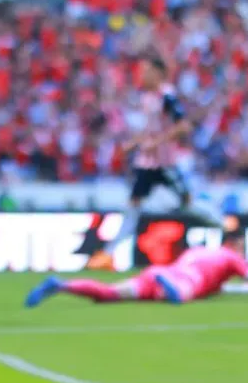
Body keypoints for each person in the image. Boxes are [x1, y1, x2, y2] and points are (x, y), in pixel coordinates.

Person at [87, 55, 224, 271]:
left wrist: (157, 143)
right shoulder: (148, 98)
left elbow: (183, 126)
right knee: (133, 206)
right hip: (147, 164)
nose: (142, 75)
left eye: (146, 71)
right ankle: (108, 254)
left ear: (158, 73)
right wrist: (133, 144)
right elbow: (150, 130)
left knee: (186, 203)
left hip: (165, 163)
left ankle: (225, 225)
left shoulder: (167, 96)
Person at [27, 229, 248, 307]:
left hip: (159, 272)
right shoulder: (231, 257)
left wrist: (239, 291)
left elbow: (218, 287)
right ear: (235, 244)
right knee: (182, 295)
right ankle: (171, 293)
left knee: (109, 293)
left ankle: (62, 285)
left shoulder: (200, 250)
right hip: (185, 280)